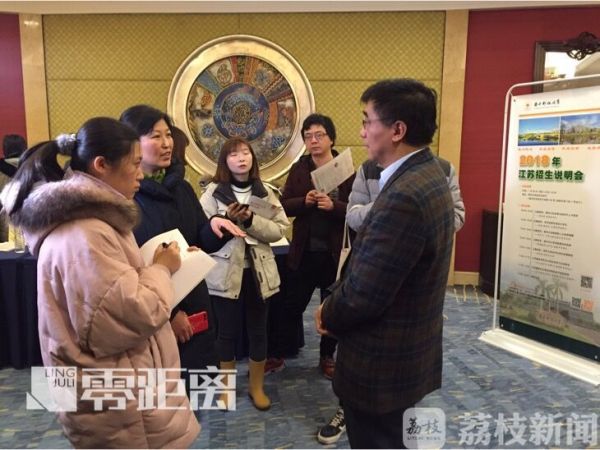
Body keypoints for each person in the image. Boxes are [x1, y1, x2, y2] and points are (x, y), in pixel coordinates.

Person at [0, 117, 199, 448]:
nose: (140, 173)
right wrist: (161, 269)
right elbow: (130, 314)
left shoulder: (91, 222)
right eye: (134, 163)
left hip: (126, 392)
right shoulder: (85, 234)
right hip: (124, 404)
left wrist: (153, 267)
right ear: (102, 165)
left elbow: (108, 296)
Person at [315, 79, 455, 449]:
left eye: (367, 121)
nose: (362, 132)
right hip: (406, 351)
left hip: (381, 363)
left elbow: (364, 294)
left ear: (397, 130)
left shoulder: (404, 196)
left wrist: (328, 312)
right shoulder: (429, 174)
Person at [120, 105, 244, 391]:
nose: (166, 143)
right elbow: (130, 269)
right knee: (163, 397)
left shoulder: (182, 188)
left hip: (196, 301)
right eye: (155, 136)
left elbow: (197, 240)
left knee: (198, 391)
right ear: (131, 144)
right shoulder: (127, 199)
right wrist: (170, 313)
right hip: (157, 312)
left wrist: (215, 228)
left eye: (168, 135)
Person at [200, 137, 289, 410]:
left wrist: (251, 220)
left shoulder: (265, 191)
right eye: (234, 154)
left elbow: (279, 229)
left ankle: (256, 388)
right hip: (225, 272)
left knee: (258, 331)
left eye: (246, 153)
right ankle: (225, 390)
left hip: (259, 273)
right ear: (224, 161)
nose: (241, 158)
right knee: (225, 333)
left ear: (253, 158)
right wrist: (226, 221)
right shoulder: (212, 192)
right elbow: (201, 232)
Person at [267, 113, 355, 379]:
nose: (313, 141)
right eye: (308, 136)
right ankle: (278, 354)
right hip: (304, 252)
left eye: (319, 135)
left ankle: (327, 356)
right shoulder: (300, 169)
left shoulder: (346, 169)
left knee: (331, 308)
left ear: (331, 139)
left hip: (334, 253)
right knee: (291, 306)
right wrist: (303, 202)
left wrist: (334, 206)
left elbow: (359, 210)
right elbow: (283, 206)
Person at [0, 134, 27, 241]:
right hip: (32, 227)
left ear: (4, 150)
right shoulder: (36, 168)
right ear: (25, 149)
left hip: (4, 230)